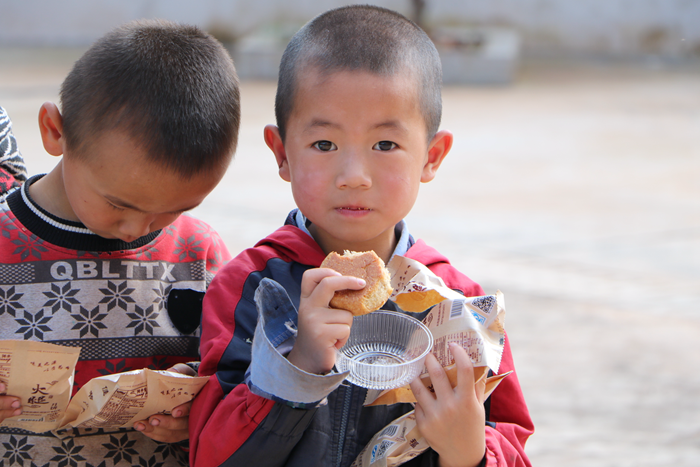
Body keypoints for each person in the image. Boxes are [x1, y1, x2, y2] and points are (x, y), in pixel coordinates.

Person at [190, 5, 533, 467]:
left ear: (431, 156)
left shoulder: (461, 306)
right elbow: (208, 454)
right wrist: (297, 369)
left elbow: (512, 444)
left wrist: (470, 453)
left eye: (385, 145)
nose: (354, 176)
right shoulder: (250, 288)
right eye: (324, 144)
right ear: (282, 153)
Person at [0, 19, 239, 466]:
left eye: (174, 209)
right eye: (118, 204)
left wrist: (201, 407)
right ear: (55, 132)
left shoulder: (199, 251)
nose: (136, 228)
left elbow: (233, 367)